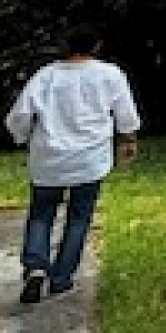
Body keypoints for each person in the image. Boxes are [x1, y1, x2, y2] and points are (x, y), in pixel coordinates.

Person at [6, 25, 140, 306]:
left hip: (48, 158)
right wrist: (127, 138)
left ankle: (36, 266)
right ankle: (62, 277)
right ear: (97, 45)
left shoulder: (46, 76)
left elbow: (20, 114)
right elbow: (125, 111)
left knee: (41, 213)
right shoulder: (109, 74)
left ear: (65, 45)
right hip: (89, 158)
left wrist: (22, 137)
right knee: (79, 217)